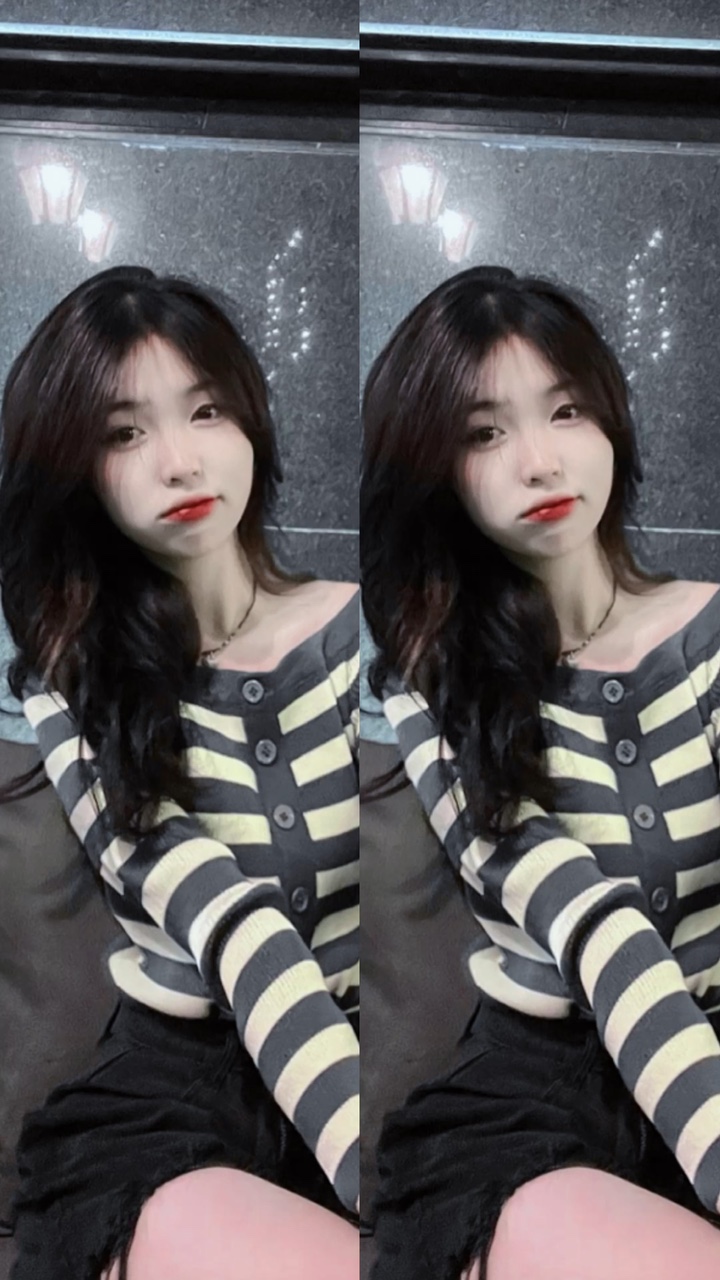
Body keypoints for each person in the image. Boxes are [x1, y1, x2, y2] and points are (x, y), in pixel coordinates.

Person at [360, 265, 720, 1280]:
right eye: (484, 433)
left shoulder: (710, 631)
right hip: (537, 1107)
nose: (540, 460)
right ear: (435, 473)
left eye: (566, 411)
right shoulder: (437, 681)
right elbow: (596, 925)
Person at [0, 266, 359, 1280]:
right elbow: (229, 918)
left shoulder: (369, 631)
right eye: (123, 434)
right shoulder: (78, 674)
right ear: (75, 472)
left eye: (205, 410)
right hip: (174, 1110)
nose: (179, 460)